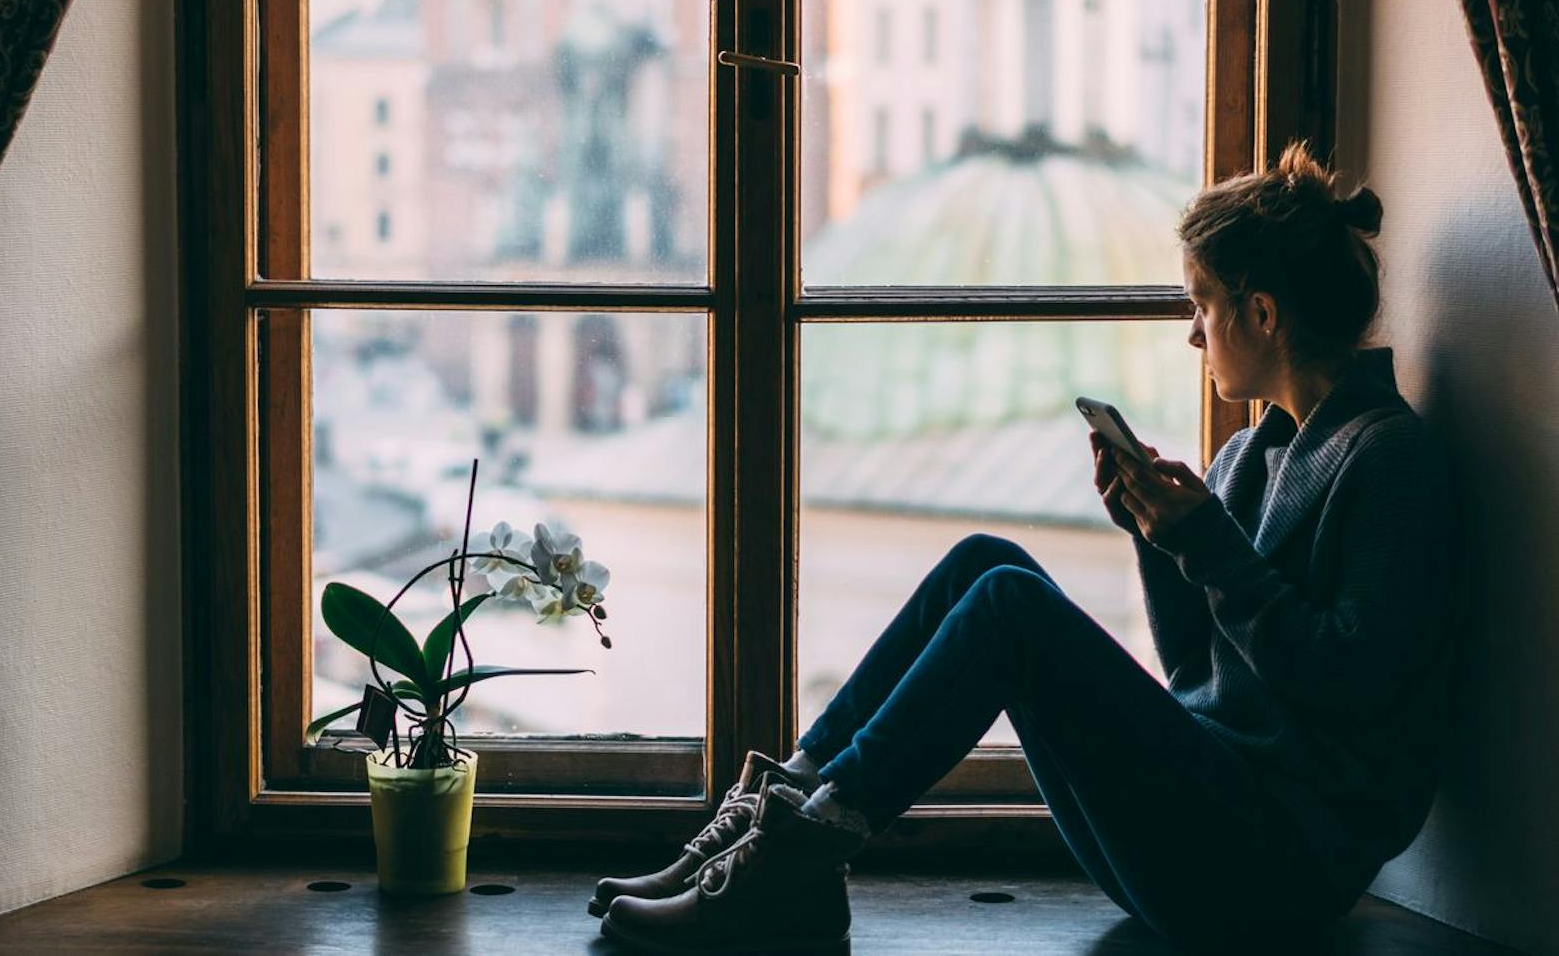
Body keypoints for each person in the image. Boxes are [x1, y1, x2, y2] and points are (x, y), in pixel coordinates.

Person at [590, 144, 1461, 953]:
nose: (1194, 333)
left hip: (1272, 873)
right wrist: (1157, 538)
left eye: (1202, 305)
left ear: (1261, 313)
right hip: (1209, 823)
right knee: (984, 558)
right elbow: (1201, 673)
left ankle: (801, 860)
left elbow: (1350, 685)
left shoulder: (1388, 456)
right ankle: (774, 817)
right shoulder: (1251, 453)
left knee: (1010, 605)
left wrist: (1204, 544)